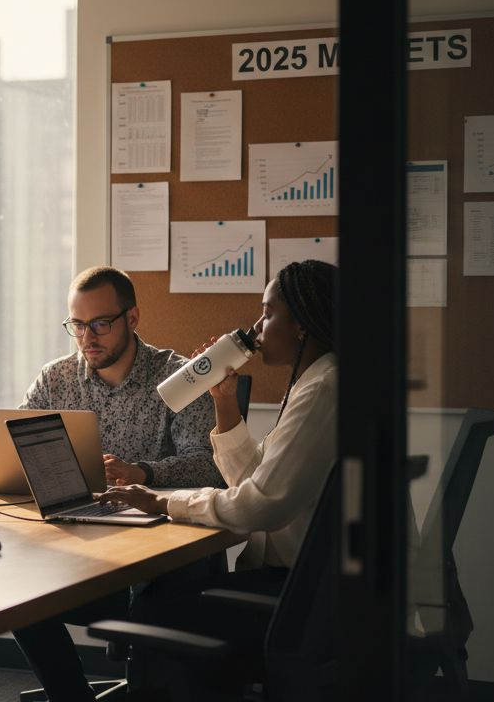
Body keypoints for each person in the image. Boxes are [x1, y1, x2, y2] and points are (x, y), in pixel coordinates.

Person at [99, 259, 338, 696]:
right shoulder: (316, 383)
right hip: (311, 587)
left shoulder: (324, 390)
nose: (257, 326)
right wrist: (224, 403)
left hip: (309, 599)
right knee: (166, 597)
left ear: (301, 325)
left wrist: (162, 501)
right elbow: (255, 482)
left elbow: (260, 505)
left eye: (268, 313)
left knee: (155, 609)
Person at [11, 266, 223, 701]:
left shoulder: (178, 378)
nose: (88, 337)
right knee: (15, 592)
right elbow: (14, 445)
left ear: (133, 318)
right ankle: (70, 695)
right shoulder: (56, 379)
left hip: (162, 562)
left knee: (155, 600)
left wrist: (142, 473)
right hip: (80, 546)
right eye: (77, 325)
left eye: (101, 324)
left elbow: (208, 468)